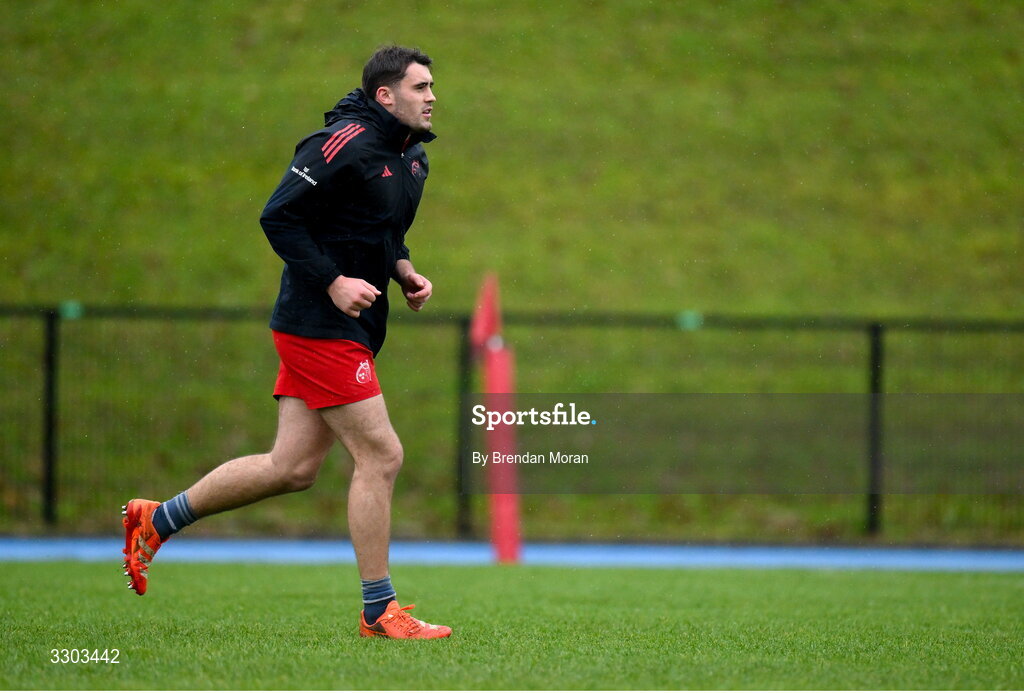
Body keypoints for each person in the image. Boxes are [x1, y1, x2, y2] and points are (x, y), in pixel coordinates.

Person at [121, 45, 451, 640]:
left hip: (352, 325)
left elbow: (382, 233)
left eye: (432, 87)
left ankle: (156, 518)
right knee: (382, 455)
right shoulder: (342, 143)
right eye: (421, 87)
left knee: (292, 467)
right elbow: (279, 217)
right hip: (316, 323)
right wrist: (332, 281)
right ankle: (379, 610)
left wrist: (402, 270)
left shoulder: (414, 162)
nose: (432, 97)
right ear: (385, 95)